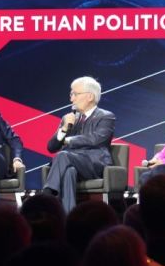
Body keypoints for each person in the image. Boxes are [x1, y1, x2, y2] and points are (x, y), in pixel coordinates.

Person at [43, 76, 116, 213]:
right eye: (71, 94)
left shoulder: (106, 116)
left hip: (94, 164)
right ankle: (68, 216)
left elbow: (95, 139)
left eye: (75, 94)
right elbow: (51, 147)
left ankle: (46, 195)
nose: (72, 99)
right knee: (69, 171)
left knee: (63, 155)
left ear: (89, 96)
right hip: (70, 163)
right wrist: (64, 129)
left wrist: (68, 140)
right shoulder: (68, 118)